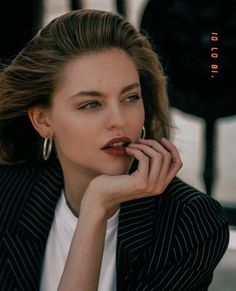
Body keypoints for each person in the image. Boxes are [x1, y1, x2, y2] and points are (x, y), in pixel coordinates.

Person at [0, 9, 229, 291]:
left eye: (131, 97)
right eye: (91, 104)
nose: (119, 120)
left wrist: (96, 205)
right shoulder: (7, 195)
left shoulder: (189, 222)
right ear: (43, 120)